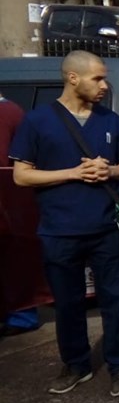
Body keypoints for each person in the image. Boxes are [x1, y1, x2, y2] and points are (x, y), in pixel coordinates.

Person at [8, 50, 119, 396]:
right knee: (68, 303)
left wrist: (109, 170)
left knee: (116, 300)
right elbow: (22, 176)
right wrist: (74, 173)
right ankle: (76, 364)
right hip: (59, 229)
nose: (105, 86)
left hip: (107, 227)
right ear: (72, 77)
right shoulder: (37, 121)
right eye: (97, 78)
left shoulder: (110, 121)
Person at [0, 90, 40, 337]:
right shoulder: (12, 110)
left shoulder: (5, 113)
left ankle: (21, 315)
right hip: (16, 203)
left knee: (13, 261)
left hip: (9, 203)